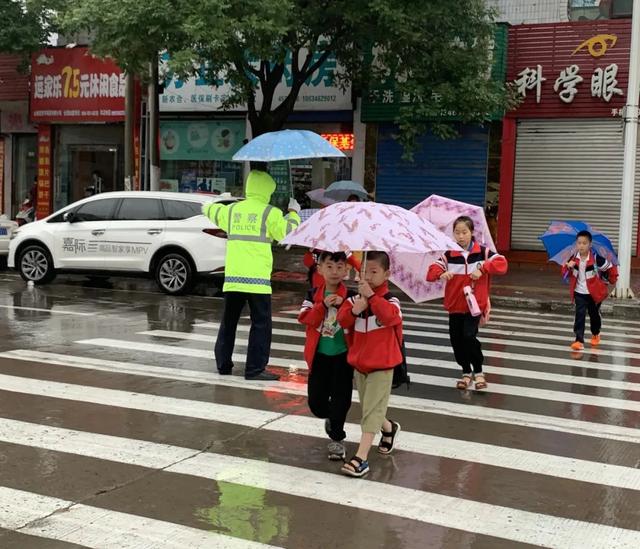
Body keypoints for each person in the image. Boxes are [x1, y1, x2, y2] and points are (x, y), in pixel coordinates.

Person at [202, 170, 301, 381]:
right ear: (267, 191)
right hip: (258, 281)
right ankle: (255, 369)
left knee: (229, 323)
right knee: (260, 325)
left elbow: (207, 208)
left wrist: (221, 200)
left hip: (234, 278)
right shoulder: (270, 213)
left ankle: (223, 365)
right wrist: (293, 212)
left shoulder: (232, 210)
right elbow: (287, 233)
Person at [337, 251, 402, 478]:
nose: (369, 276)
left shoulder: (390, 300)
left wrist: (372, 299)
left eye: (374, 272)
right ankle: (388, 428)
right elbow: (342, 320)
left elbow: (392, 317)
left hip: (383, 364)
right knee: (370, 408)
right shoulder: (354, 300)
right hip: (359, 363)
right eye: (364, 271)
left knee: (371, 410)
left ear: (387, 274)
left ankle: (361, 458)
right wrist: (358, 306)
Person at [426, 216, 508, 391]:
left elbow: (502, 264)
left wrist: (482, 268)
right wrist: (441, 274)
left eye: (464, 232)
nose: (461, 236)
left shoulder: (483, 253)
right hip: (455, 305)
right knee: (456, 340)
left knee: (469, 336)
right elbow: (431, 272)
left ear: (472, 232)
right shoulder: (449, 255)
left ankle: (478, 371)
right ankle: (465, 371)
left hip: (474, 306)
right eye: (457, 232)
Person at [298, 251, 356, 461]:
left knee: (342, 399)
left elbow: (353, 322)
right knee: (317, 403)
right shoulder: (312, 294)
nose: (334, 271)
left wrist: (344, 307)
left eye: (340, 267)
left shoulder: (351, 296)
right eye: (329, 266)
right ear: (319, 269)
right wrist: (322, 306)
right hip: (319, 356)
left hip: (343, 356)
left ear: (347, 271)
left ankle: (337, 438)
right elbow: (305, 318)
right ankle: (331, 417)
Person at [562, 230, 617, 351]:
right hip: (579, 292)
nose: (581, 245)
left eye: (584, 243)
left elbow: (611, 267)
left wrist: (611, 280)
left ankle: (596, 333)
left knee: (594, 316)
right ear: (576, 244)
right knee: (579, 315)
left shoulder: (597, 259)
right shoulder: (573, 258)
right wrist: (568, 267)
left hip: (594, 293)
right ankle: (578, 340)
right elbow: (565, 273)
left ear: (590, 244)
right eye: (579, 243)